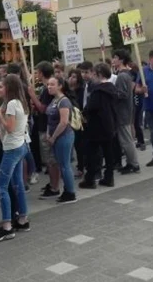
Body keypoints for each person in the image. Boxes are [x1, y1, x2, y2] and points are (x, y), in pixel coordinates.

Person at [0, 75, 31, 242]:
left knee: (2, 187)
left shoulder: (12, 104)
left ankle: (7, 226)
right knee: (18, 184)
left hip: (13, 149)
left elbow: (11, 128)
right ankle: (23, 219)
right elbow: (15, 129)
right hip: (19, 145)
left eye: (1, 86)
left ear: (9, 88)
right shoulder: (20, 102)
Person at [81, 63, 118, 187]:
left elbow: (91, 108)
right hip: (110, 125)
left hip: (97, 127)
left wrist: (84, 113)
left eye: (94, 74)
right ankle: (109, 178)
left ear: (99, 75)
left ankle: (90, 179)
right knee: (108, 153)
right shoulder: (112, 88)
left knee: (92, 153)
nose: (92, 77)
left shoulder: (98, 91)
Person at [29, 62, 61, 199]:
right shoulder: (45, 87)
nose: (36, 74)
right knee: (49, 159)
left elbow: (43, 108)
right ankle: (52, 184)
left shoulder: (48, 88)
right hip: (43, 125)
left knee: (50, 159)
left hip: (46, 127)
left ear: (41, 73)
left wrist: (32, 96)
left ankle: (55, 187)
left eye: (37, 72)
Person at [45, 76, 77, 204]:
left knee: (65, 165)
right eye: (48, 84)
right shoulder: (54, 100)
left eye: (52, 84)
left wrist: (53, 137)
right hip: (56, 137)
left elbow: (63, 122)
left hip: (63, 137)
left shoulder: (63, 101)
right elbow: (49, 119)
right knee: (61, 164)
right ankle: (67, 190)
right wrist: (48, 134)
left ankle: (70, 192)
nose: (49, 87)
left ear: (60, 86)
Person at [112, 49, 140, 174]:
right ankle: (130, 163)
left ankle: (133, 164)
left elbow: (122, 94)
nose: (113, 60)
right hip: (125, 111)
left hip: (123, 112)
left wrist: (111, 92)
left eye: (115, 57)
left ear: (121, 60)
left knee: (126, 139)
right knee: (125, 138)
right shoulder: (124, 74)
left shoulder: (122, 75)